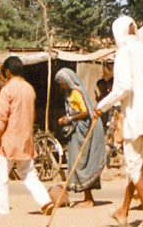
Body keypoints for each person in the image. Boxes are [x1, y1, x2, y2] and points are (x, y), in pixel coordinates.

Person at [95, 15, 143, 227]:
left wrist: (101, 106)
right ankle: (123, 212)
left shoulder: (124, 52)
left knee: (135, 169)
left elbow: (123, 87)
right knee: (139, 169)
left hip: (135, 117)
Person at [0, 56, 54, 215]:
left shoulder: (7, 90)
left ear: (8, 71)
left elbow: (1, 119)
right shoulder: (29, 89)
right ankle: (45, 202)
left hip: (9, 140)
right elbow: (32, 116)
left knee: (1, 178)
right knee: (29, 174)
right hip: (25, 138)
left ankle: (3, 210)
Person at [54, 68, 107, 208]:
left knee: (81, 162)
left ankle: (89, 198)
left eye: (61, 83)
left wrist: (70, 118)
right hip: (75, 132)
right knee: (76, 162)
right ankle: (86, 196)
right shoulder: (69, 93)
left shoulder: (77, 93)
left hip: (82, 132)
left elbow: (85, 112)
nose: (61, 86)